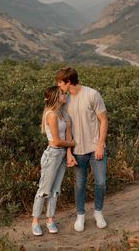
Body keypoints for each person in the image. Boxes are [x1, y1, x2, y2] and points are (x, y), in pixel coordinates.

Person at [56, 67, 108, 232]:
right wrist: (69, 152)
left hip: (95, 147)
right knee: (79, 185)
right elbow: (66, 130)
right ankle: (80, 215)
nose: (58, 86)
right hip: (77, 150)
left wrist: (100, 144)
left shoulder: (92, 94)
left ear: (68, 82)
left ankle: (98, 212)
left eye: (60, 82)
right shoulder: (64, 100)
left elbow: (104, 120)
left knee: (101, 182)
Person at [32, 86, 74, 236]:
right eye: (63, 93)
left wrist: (69, 153)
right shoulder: (50, 115)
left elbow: (68, 136)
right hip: (52, 155)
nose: (65, 94)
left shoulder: (63, 114)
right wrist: (74, 144)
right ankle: (35, 221)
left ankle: (50, 220)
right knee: (44, 190)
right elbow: (56, 141)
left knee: (55, 190)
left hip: (62, 155)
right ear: (56, 97)